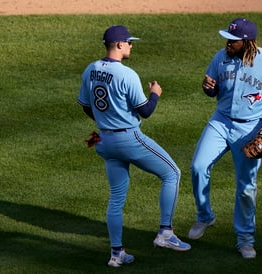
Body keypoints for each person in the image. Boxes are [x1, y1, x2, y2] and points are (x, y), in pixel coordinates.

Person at [77, 25, 191, 267]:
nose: (131, 45)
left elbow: (86, 106)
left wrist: (104, 120)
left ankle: (116, 253)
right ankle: (165, 233)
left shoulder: (91, 69)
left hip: (104, 140)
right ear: (119, 45)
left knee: (116, 198)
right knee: (172, 173)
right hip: (128, 138)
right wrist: (155, 93)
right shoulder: (126, 74)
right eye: (129, 42)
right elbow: (145, 111)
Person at [188, 18, 262, 259]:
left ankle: (245, 239)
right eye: (228, 38)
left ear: (247, 42)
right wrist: (209, 88)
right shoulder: (221, 57)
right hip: (220, 121)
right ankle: (205, 216)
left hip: (250, 129)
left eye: (233, 41)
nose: (228, 43)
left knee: (246, 187)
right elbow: (213, 89)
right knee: (198, 167)